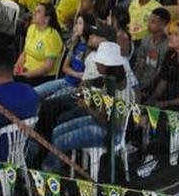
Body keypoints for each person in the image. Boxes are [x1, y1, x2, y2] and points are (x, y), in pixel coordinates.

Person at [42, 42, 134, 173]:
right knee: (57, 131)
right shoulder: (109, 80)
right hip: (100, 122)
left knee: (61, 140)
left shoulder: (119, 90)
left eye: (99, 63)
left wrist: (87, 107)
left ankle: (48, 171)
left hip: (111, 133)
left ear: (106, 65)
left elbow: (109, 121)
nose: (96, 64)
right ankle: (57, 164)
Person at [34, 12, 96, 100]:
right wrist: (77, 74)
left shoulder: (90, 49)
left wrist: (76, 75)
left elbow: (86, 76)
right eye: (77, 23)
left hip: (75, 87)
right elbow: (65, 68)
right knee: (35, 92)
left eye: (80, 23)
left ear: (87, 26)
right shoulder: (76, 44)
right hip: (65, 81)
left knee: (48, 101)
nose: (76, 26)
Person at [147, 22, 179, 110]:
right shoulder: (170, 55)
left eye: (175, 34)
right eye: (170, 34)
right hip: (165, 100)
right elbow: (163, 82)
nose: (170, 37)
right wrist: (151, 100)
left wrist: (165, 104)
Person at [15, 2, 63, 82]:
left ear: (46, 19)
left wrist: (28, 74)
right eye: (34, 11)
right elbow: (25, 53)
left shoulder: (52, 36)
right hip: (25, 70)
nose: (34, 13)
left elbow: (48, 67)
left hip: (42, 76)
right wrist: (17, 67)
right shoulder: (31, 28)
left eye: (38, 12)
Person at [133, 7, 171, 94]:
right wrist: (135, 84)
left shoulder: (167, 46)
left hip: (154, 86)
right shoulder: (146, 39)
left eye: (153, 22)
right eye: (149, 20)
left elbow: (160, 72)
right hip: (140, 82)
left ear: (163, 25)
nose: (148, 24)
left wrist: (147, 88)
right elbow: (140, 64)